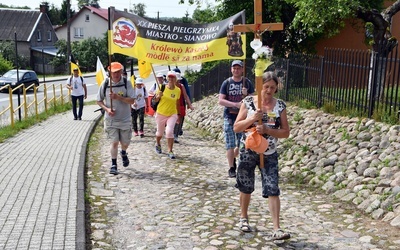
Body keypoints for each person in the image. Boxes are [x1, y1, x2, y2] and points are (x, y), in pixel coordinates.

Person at [233, 71, 290, 239]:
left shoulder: (280, 106)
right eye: (266, 87)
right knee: (246, 185)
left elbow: (285, 132)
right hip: (249, 150)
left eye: (273, 87)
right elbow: (237, 127)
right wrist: (252, 119)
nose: (269, 90)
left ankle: (277, 228)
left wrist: (268, 130)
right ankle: (243, 218)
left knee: (273, 188)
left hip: (269, 152)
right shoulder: (249, 103)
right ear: (260, 87)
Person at [96, 62, 136, 175]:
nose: (116, 74)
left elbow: (132, 100)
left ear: (121, 72)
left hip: (125, 118)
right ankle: (114, 164)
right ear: (110, 73)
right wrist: (107, 109)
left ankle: (123, 152)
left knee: (125, 143)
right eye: (114, 72)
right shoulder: (105, 84)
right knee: (114, 142)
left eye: (118, 72)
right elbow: (98, 101)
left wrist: (118, 97)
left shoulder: (126, 82)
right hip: (111, 119)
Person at [218, 60, 254, 178]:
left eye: (238, 68)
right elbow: (221, 100)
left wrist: (246, 95)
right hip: (229, 116)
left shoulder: (247, 82)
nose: (236, 70)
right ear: (231, 69)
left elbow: (253, 99)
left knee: (241, 144)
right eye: (234, 68)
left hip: (243, 117)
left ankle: (235, 159)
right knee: (230, 143)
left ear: (242, 69)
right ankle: (231, 167)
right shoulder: (227, 83)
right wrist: (235, 104)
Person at [153, 71, 181, 159]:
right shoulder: (162, 87)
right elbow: (155, 101)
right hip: (161, 113)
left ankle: (170, 151)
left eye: (173, 77)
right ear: (167, 78)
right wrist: (158, 96)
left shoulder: (178, 90)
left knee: (169, 132)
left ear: (176, 79)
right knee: (159, 133)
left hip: (172, 114)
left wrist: (178, 115)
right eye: (170, 77)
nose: (171, 79)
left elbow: (177, 103)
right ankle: (157, 143)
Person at [173, 72, 194, 143]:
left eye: (179, 80)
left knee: (180, 121)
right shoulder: (169, 86)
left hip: (181, 105)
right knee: (173, 121)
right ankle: (171, 133)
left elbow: (185, 96)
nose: (178, 81)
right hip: (172, 106)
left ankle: (175, 135)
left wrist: (189, 104)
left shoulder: (181, 86)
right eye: (177, 80)